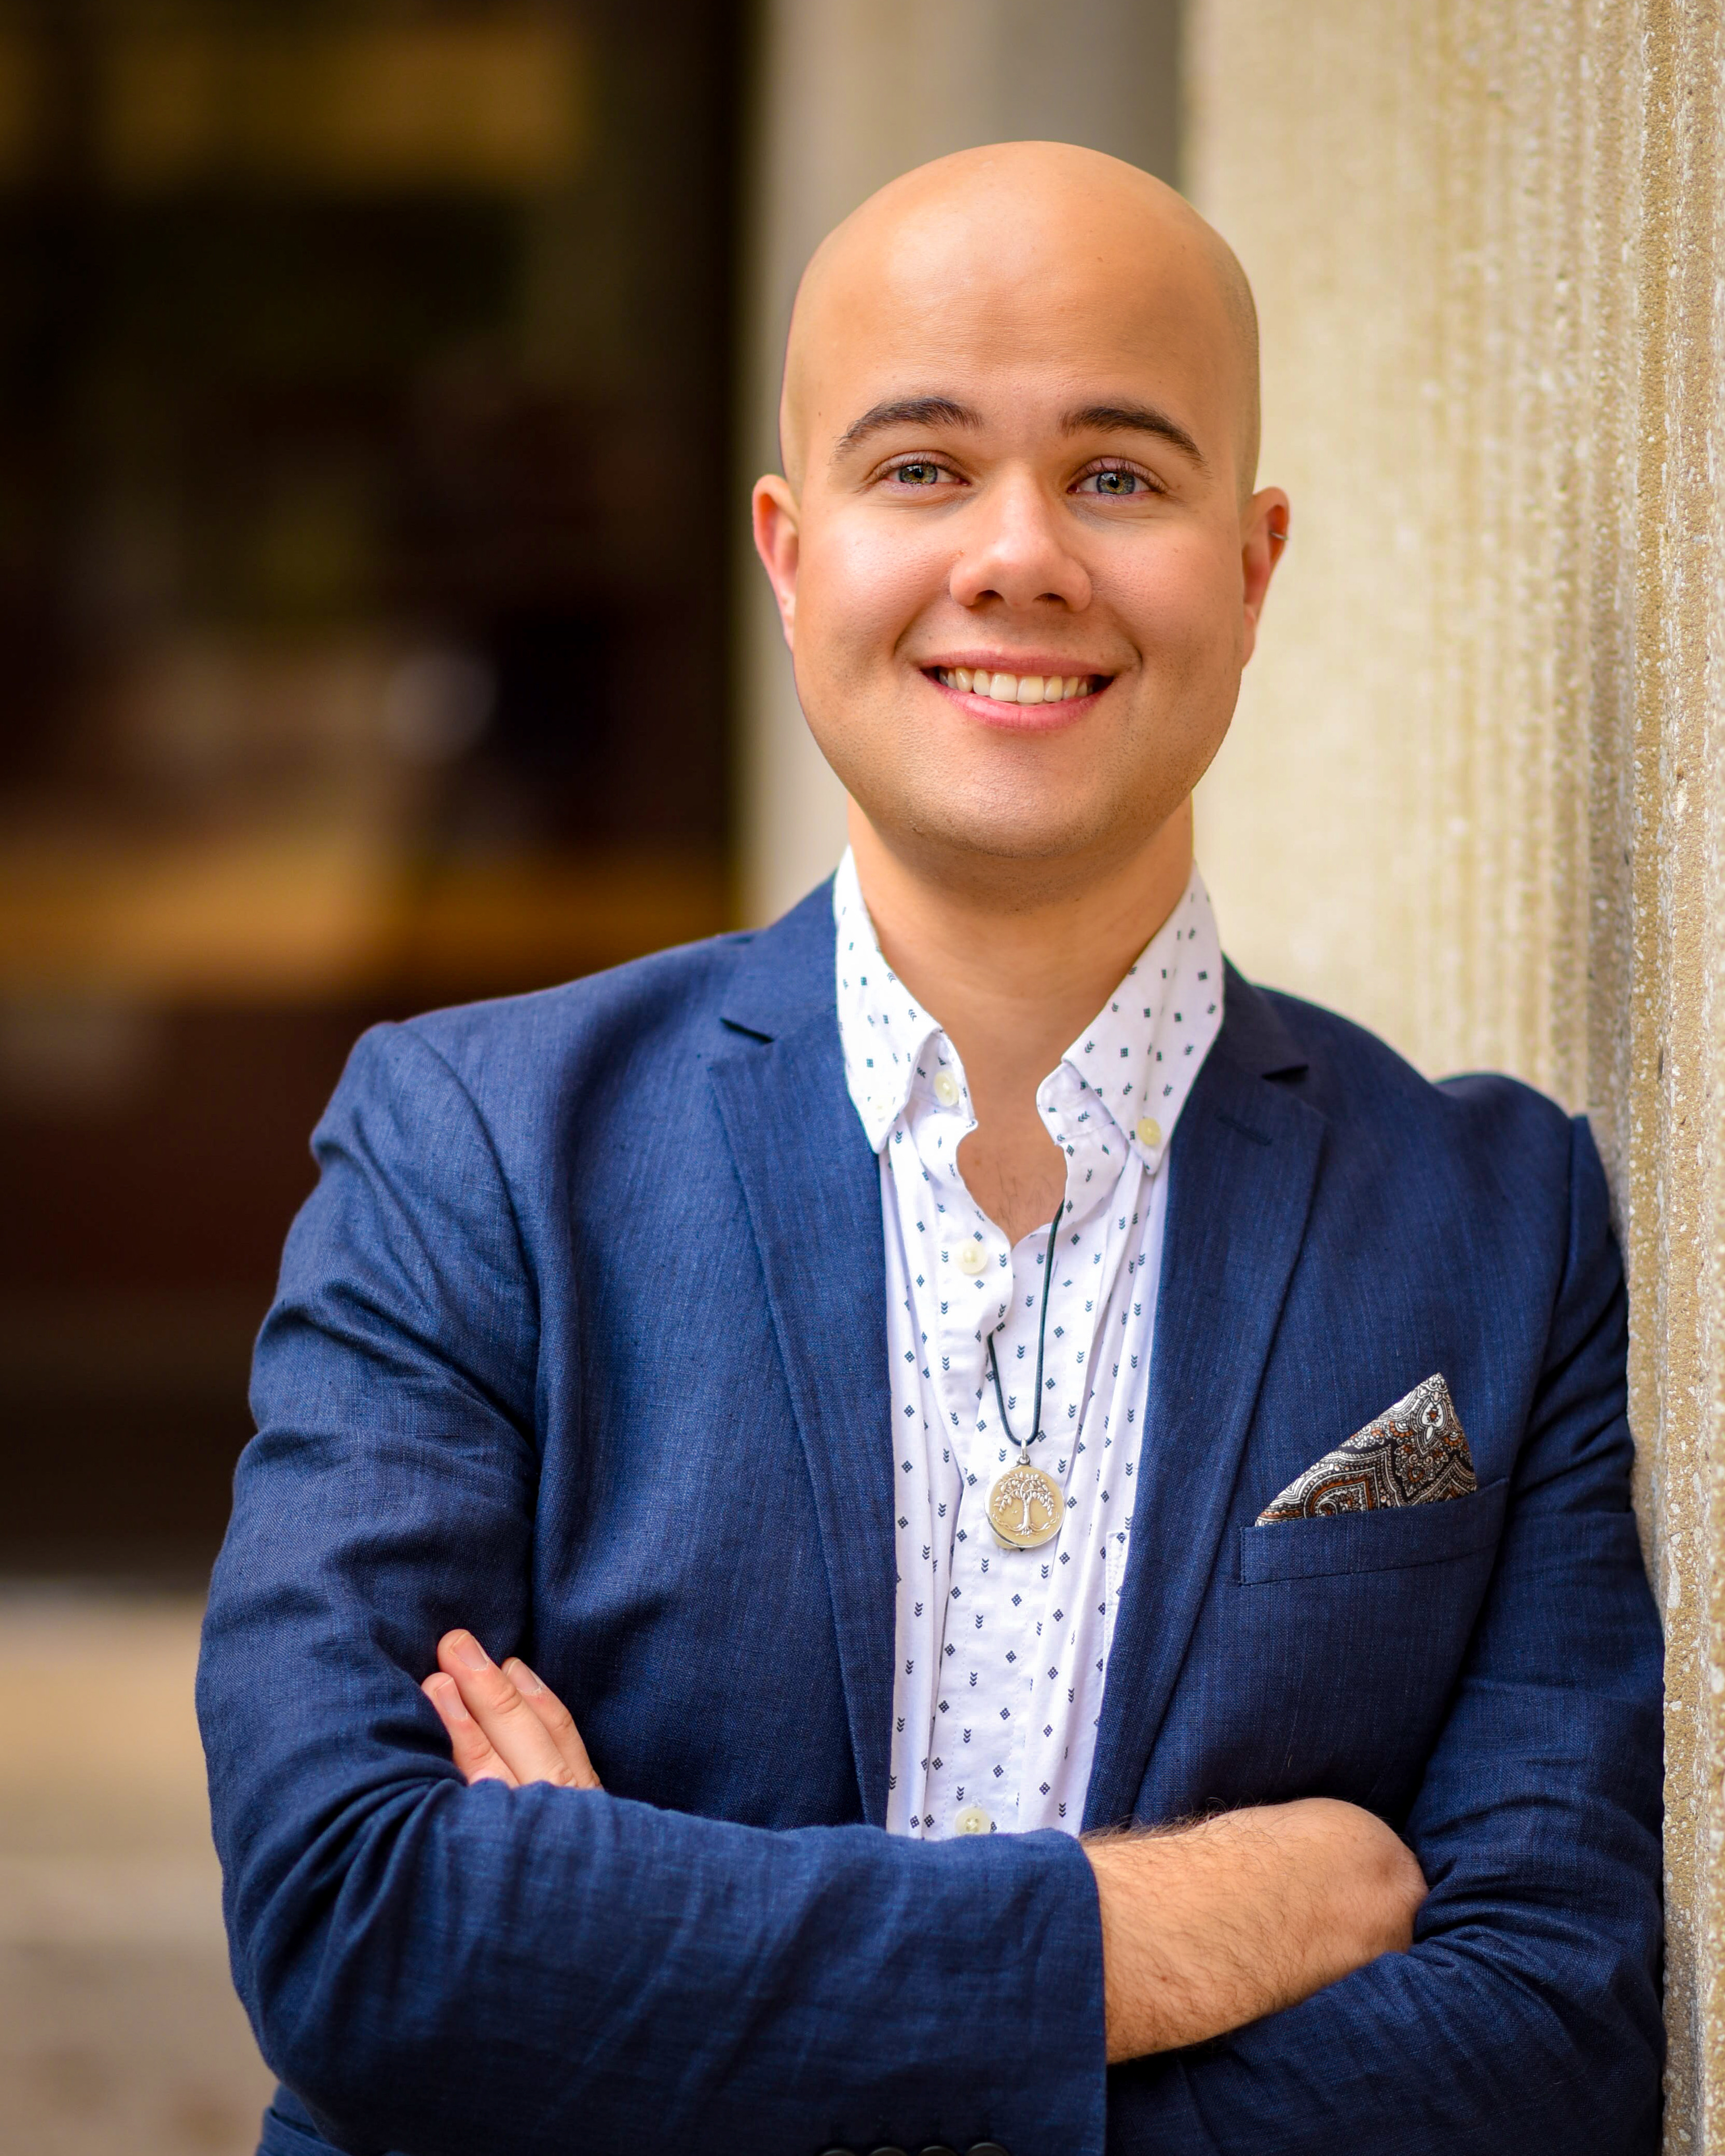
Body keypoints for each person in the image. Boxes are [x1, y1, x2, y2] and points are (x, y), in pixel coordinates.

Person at [198, 143, 1663, 2156]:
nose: (1020, 554)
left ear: (1252, 569)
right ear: (791, 554)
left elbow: (1542, 2034)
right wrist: (1169, 1928)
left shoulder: (1500, 1223)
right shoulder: (474, 1146)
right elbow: (357, 1918)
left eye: (1119, 474)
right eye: (922, 467)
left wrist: (644, 1986)